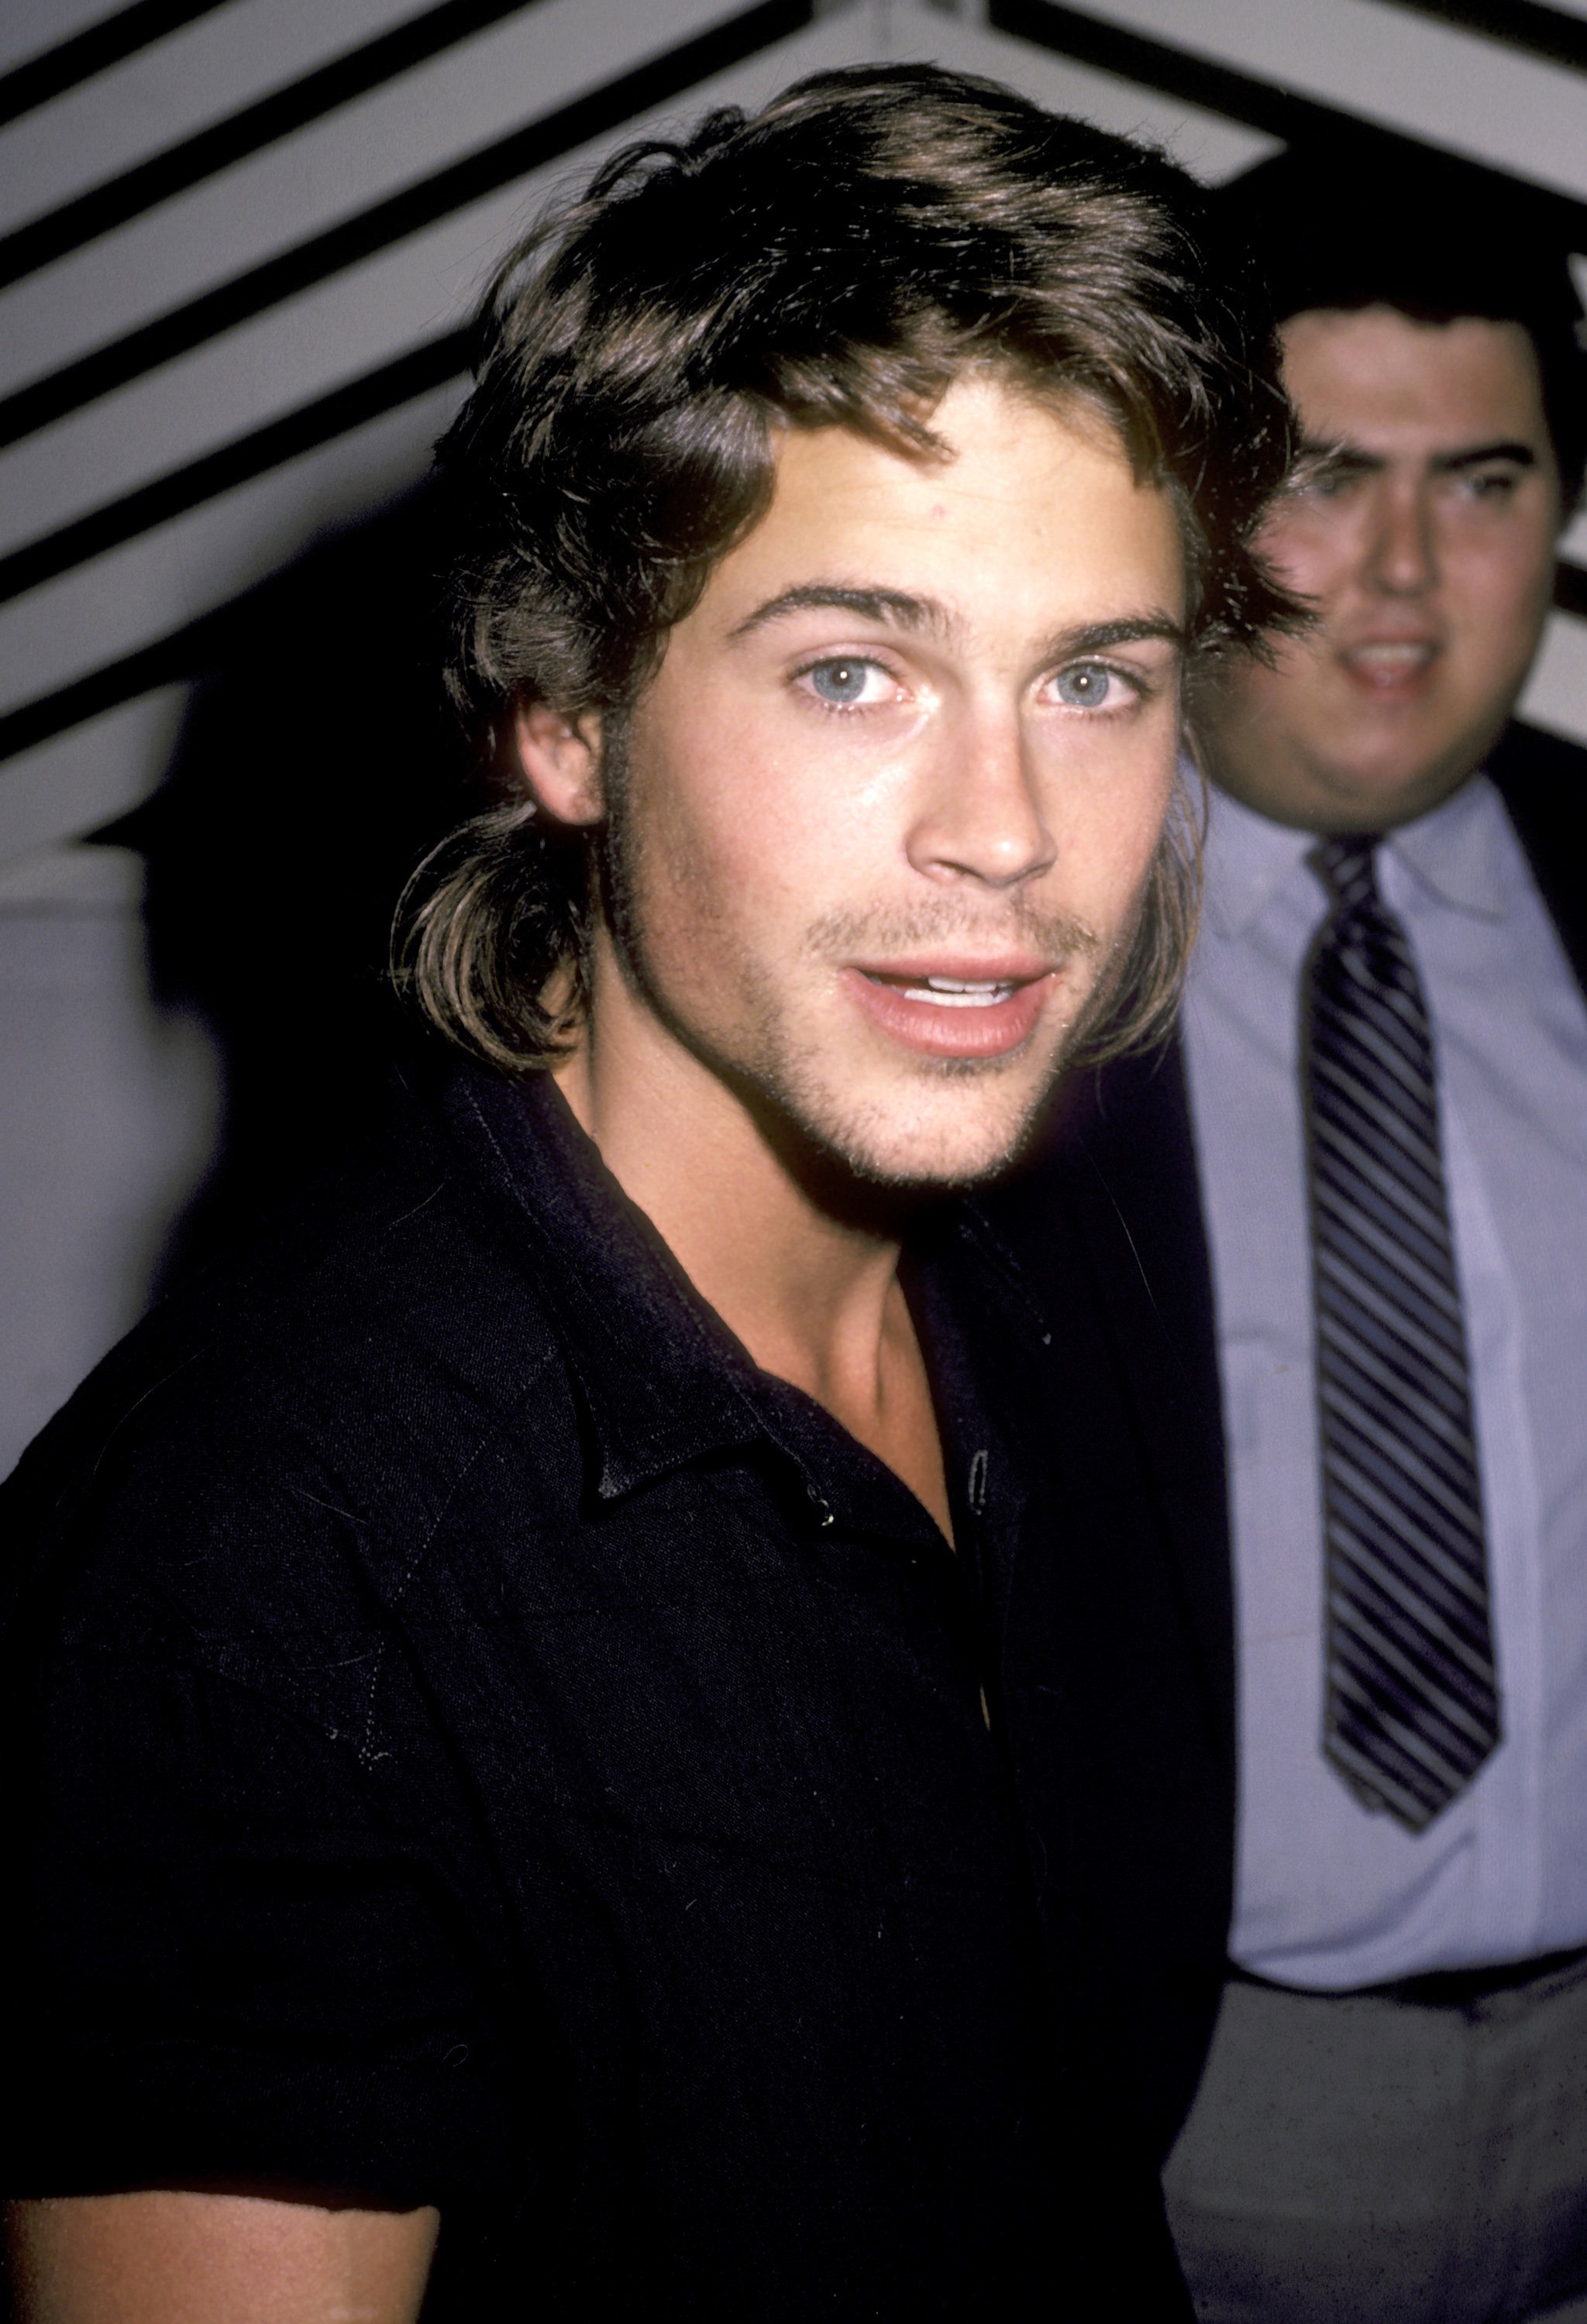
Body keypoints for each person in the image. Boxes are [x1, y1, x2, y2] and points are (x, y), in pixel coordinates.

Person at [0, 66, 1297, 2322]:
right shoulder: (251, 1572)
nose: (1005, 828)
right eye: (853, 670)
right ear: (568, 715)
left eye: (1093, 678)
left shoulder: (1057, 1255)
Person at [987, 143, 1587, 2323]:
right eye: (1327, 476)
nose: (1410, 576)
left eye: (1490, 481)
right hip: (1183, 2106)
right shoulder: (982, 946)